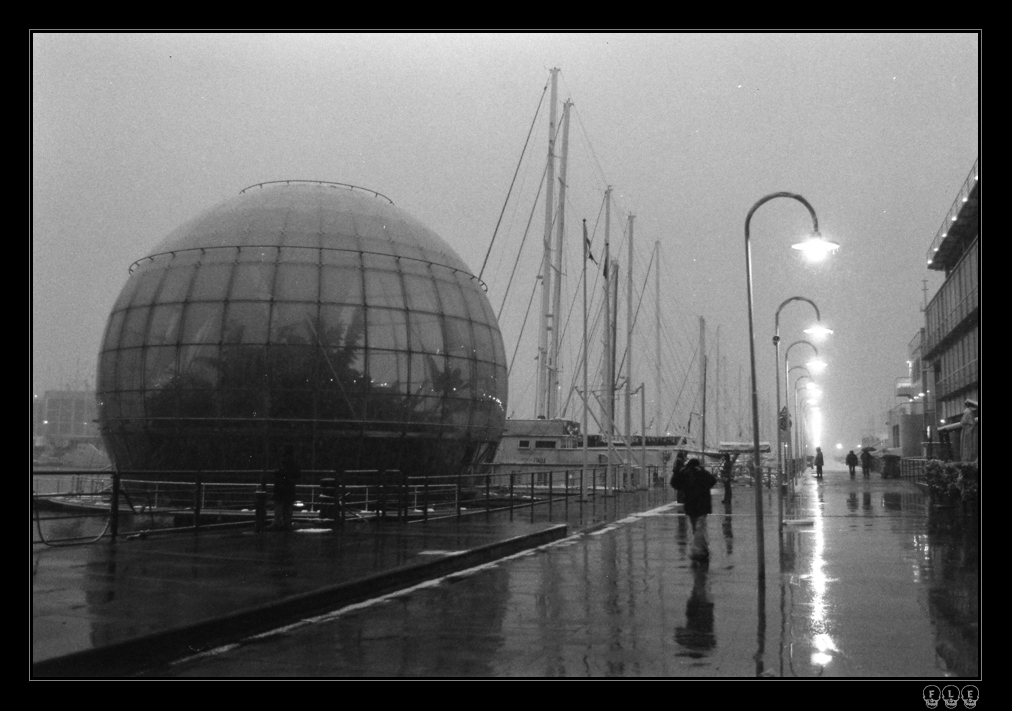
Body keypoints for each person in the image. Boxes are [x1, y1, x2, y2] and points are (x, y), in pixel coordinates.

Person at [673, 457, 717, 563]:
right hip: (702, 504)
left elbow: (675, 483)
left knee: (695, 527)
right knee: (700, 527)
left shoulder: (685, 473)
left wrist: (679, 473)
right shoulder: (702, 473)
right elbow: (712, 481)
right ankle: (700, 549)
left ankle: (699, 548)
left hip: (690, 504)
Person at [271, 444, 300, 531]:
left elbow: (281, 473)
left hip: (281, 486)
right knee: (288, 507)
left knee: (279, 506)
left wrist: (279, 474)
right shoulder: (294, 461)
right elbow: (297, 473)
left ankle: (278, 523)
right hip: (289, 486)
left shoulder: (283, 461)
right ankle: (287, 523)